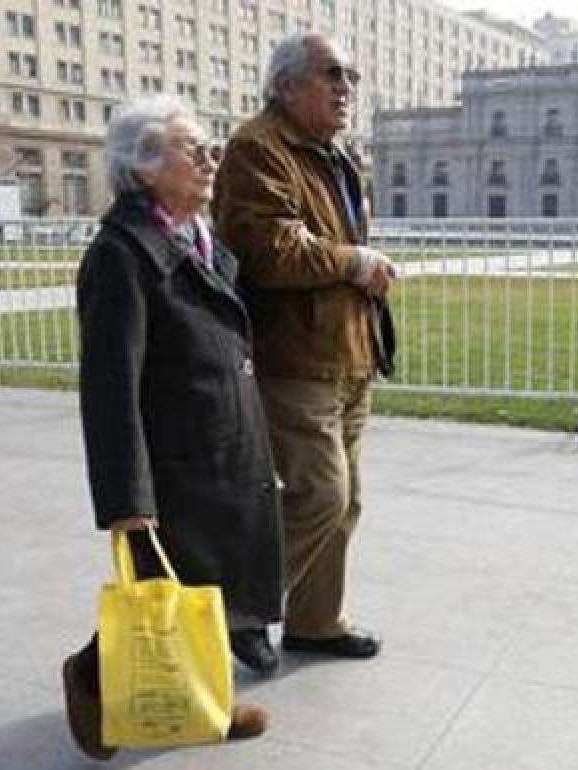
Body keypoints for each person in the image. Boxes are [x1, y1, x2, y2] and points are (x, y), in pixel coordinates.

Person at [61, 95, 283, 760]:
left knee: (210, 584)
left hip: (221, 444)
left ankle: (204, 700)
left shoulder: (195, 238)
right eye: (194, 149)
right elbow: (108, 387)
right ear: (144, 168)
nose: (212, 158)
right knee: (168, 586)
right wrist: (127, 499)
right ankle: (93, 678)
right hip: (173, 460)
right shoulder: (121, 255)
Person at [212, 33, 396, 662]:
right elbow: (270, 249)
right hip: (294, 357)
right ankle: (236, 605)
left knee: (346, 503)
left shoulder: (330, 152)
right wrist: (355, 260)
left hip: (347, 354)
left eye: (351, 76)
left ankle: (316, 623)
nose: (346, 87)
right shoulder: (256, 149)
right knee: (320, 493)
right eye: (332, 74)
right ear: (286, 85)